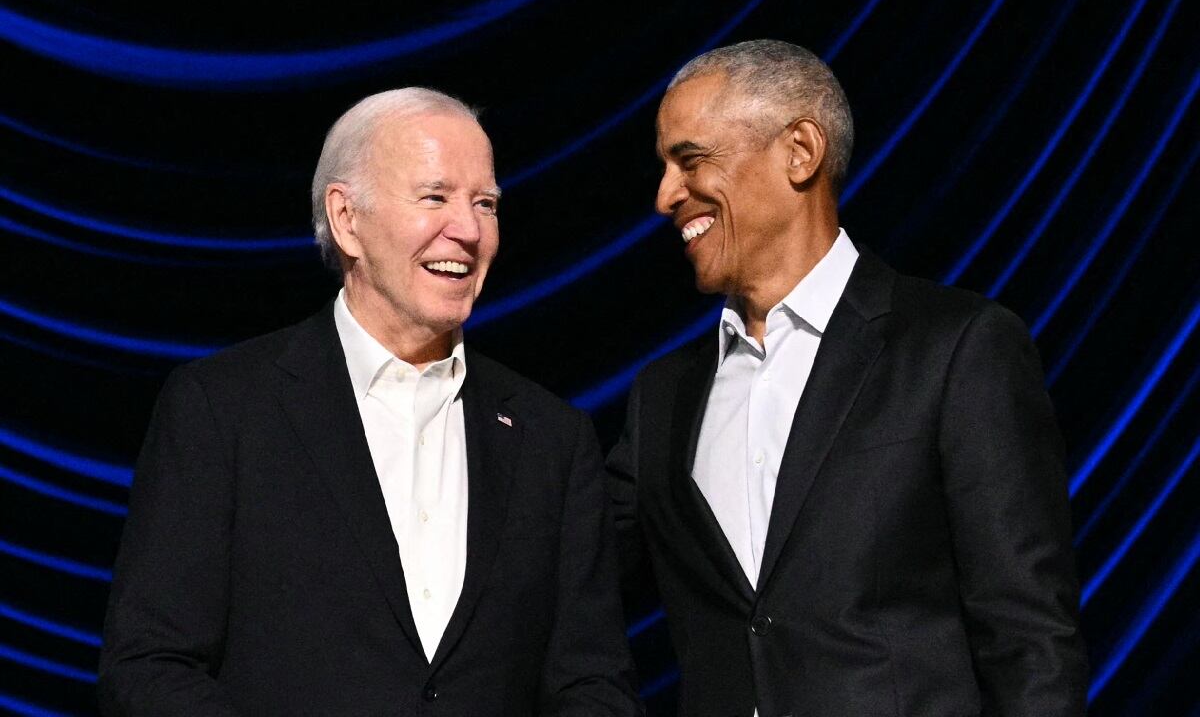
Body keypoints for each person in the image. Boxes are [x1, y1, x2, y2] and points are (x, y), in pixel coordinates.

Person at [100, 88, 641, 716]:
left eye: (485, 203)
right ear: (347, 219)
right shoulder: (223, 411)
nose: (466, 230)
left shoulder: (552, 439)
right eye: (435, 197)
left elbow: (593, 684)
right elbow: (149, 667)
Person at [606, 40, 1088, 716]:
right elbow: (568, 581)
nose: (664, 196)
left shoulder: (955, 349)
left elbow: (1030, 638)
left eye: (690, 160)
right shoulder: (663, 399)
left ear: (800, 151)